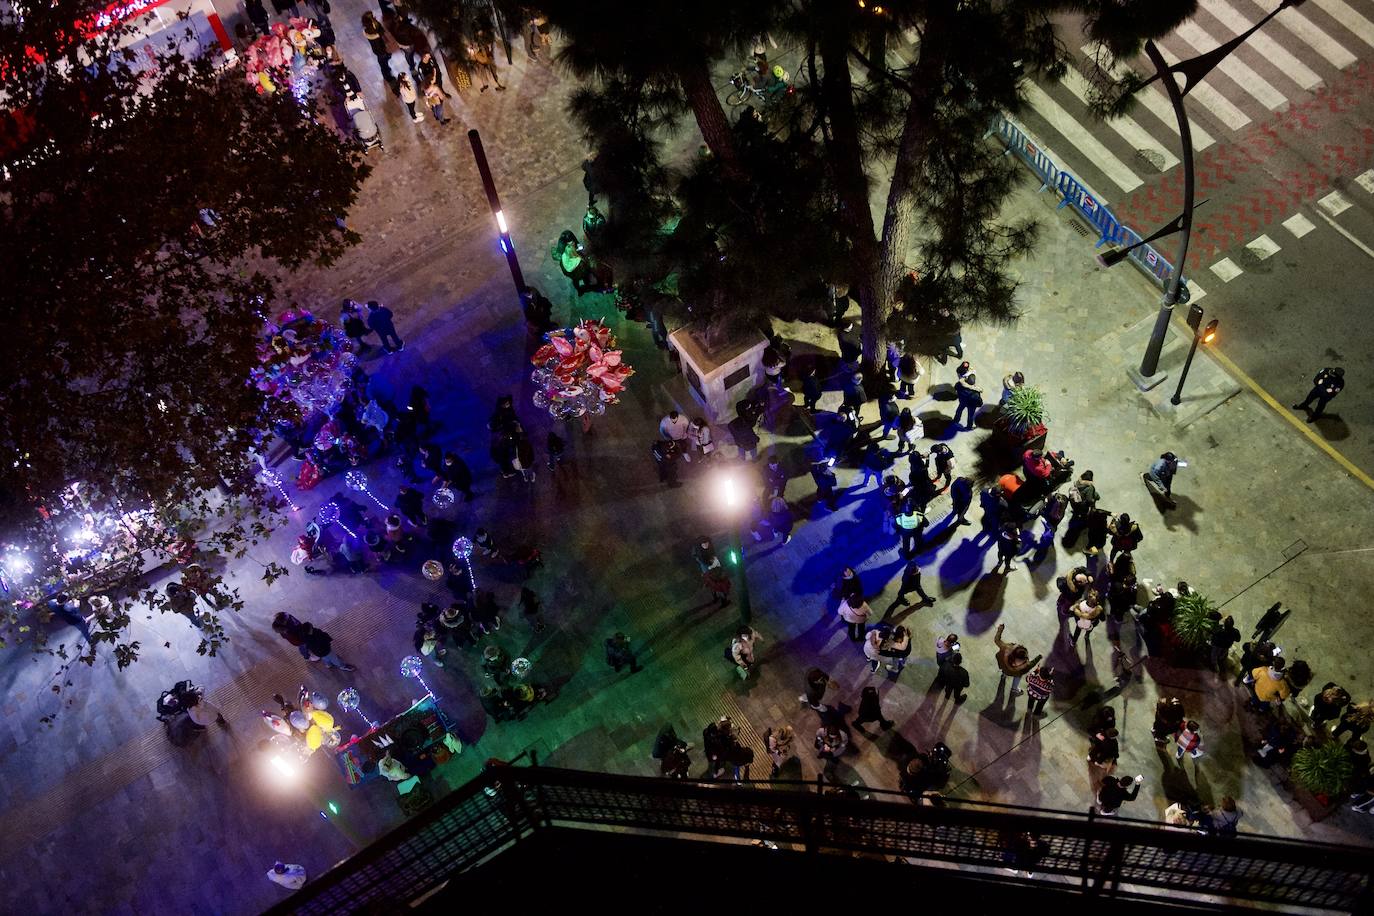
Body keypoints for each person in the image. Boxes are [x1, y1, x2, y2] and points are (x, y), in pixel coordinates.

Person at [994, 624, 1041, 696]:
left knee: (1005, 670)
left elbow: (997, 640)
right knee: (1018, 676)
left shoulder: (1005, 648)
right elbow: (1033, 663)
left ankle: (1003, 675)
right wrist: (1039, 657)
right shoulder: (1025, 666)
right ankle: (1014, 689)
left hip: (1003, 666)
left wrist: (1000, 630)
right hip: (1015, 673)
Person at [1063, 470, 1099, 546]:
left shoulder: (1078, 482)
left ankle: (1077, 515)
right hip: (1082, 506)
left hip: (1075, 503)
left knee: (1076, 512)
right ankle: (1083, 523)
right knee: (1084, 515)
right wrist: (1095, 498)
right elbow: (1089, 500)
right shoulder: (1090, 488)